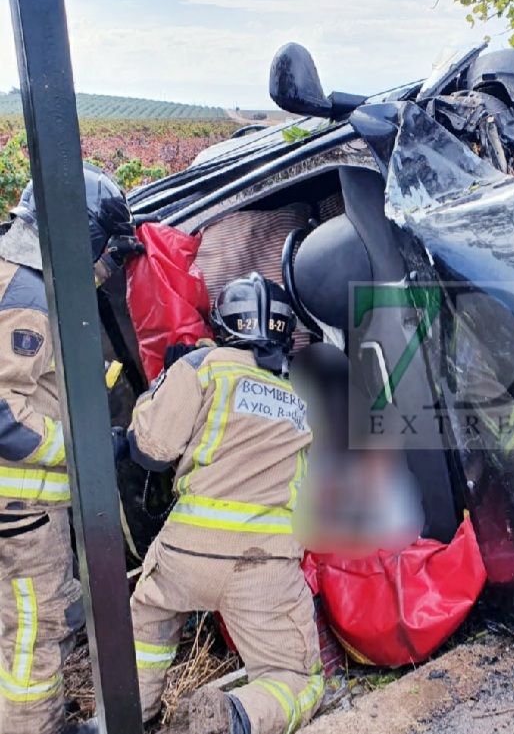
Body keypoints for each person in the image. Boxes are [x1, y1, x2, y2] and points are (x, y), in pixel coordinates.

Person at [124, 272, 323, 734]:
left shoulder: (203, 366)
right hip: (265, 567)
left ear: (222, 324)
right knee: (296, 679)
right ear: (284, 331)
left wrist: (158, 390)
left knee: (148, 623)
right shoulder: (299, 400)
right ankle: (234, 716)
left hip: (187, 553)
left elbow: (150, 448)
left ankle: (135, 711)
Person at [0, 164, 139, 734]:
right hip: (20, 514)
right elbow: (5, 417)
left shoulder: (13, 272)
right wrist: (83, 447)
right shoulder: (28, 296)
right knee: (37, 630)